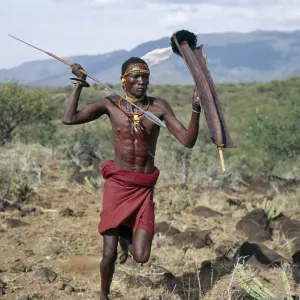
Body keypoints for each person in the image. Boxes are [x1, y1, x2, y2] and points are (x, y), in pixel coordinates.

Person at [62, 57, 201, 300]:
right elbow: (69, 118)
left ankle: (127, 237)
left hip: (143, 188)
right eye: (136, 77)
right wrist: (79, 84)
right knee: (108, 255)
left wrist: (195, 109)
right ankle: (104, 295)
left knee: (142, 257)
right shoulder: (111, 104)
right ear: (123, 80)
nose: (141, 81)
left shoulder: (158, 107)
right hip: (118, 186)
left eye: (145, 77)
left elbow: (187, 141)